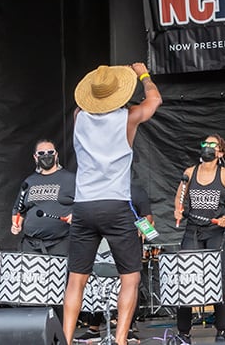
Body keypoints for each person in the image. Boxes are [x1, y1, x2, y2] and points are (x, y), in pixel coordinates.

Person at [63, 62, 162, 345]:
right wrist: (142, 74)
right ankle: (119, 341)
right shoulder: (128, 117)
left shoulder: (78, 116)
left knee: (76, 279)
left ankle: (67, 340)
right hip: (115, 204)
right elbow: (154, 100)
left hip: (84, 206)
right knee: (130, 278)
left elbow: (89, 107)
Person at [173, 134, 225, 343]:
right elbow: (180, 197)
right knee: (186, 277)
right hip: (193, 230)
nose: (207, 147)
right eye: (205, 143)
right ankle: (184, 332)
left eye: (212, 144)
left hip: (216, 232)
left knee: (217, 278)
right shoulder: (189, 172)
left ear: (220, 152)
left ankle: (221, 329)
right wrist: (178, 209)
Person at [74, 181, 154, 344]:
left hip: (128, 245)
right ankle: (93, 328)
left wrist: (146, 227)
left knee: (131, 284)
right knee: (96, 284)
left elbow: (148, 218)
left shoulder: (136, 191)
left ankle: (128, 329)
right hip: (102, 247)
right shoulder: (98, 189)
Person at [10, 139, 75, 256]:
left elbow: (85, 204)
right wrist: (16, 224)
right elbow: (19, 209)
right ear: (35, 157)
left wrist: (76, 214)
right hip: (31, 245)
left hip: (61, 244)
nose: (46, 155)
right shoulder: (29, 181)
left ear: (56, 155)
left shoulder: (70, 179)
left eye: (50, 152)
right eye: (41, 153)